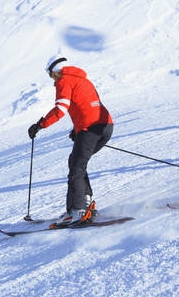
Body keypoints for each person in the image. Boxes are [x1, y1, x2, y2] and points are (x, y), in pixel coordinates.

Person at [27, 56, 114, 223]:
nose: (51, 77)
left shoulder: (64, 80)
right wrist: (77, 130)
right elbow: (86, 104)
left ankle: (78, 210)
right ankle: (85, 204)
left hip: (91, 129)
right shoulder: (83, 80)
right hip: (105, 126)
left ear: (56, 71)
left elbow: (60, 109)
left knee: (76, 166)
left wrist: (39, 125)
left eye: (50, 73)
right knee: (76, 162)